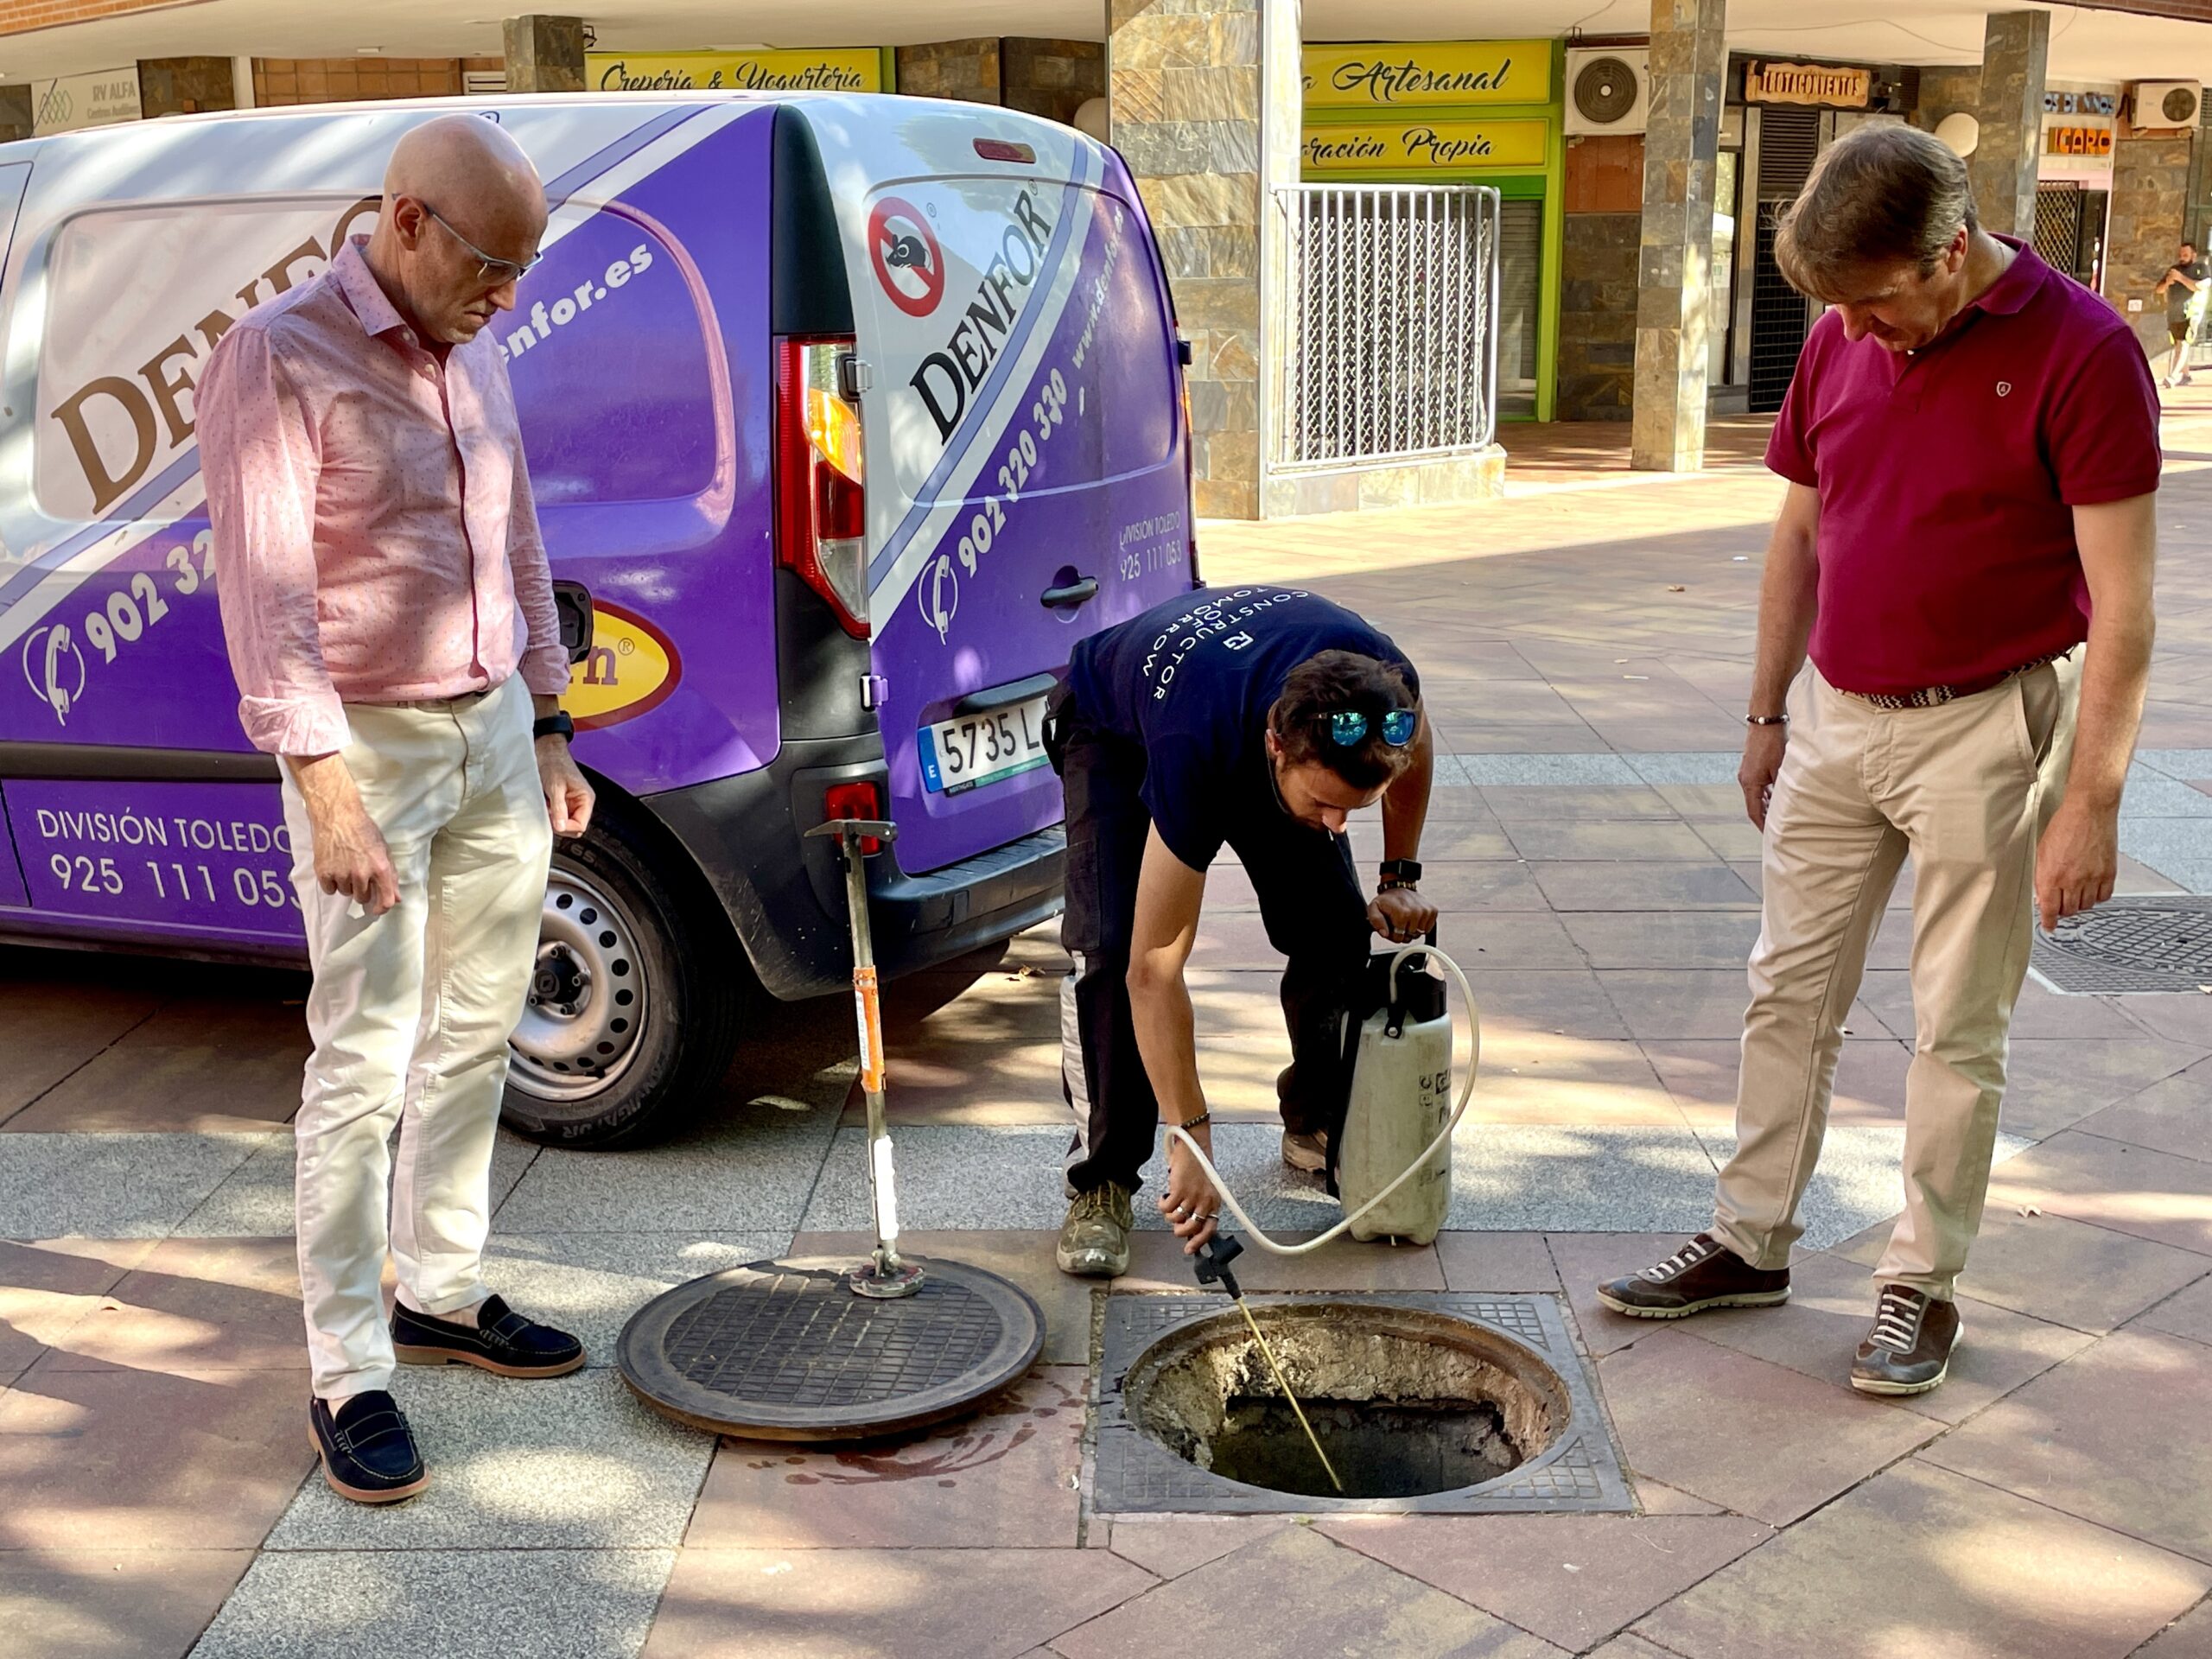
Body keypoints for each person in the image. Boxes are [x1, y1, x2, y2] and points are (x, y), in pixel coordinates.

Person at [1598, 125, 2159, 1394]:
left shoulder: (2085, 353)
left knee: (1957, 1022)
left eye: (1875, 303)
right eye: (1838, 309)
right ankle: (1752, 1241)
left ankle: (1919, 1283)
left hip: (1987, 720)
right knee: (1786, 990)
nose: (1857, 329)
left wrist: (2093, 801)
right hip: (1842, 719)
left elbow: (2125, 611)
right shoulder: (1845, 338)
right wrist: (1765, 712)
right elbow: (1798, 535)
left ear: (1949, 255)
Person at [199, 116, 595, 1503]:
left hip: (491, 731)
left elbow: (518, 538)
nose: (510, 294)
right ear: (408, 222)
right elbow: (268, 598)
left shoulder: (471, 352)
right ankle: (348, 1371)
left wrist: (547, 721)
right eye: (493, 262)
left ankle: (438, 1288)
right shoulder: (279, 355)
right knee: (362, 1064)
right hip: (367, 746)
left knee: (480, 1032)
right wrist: (326, 792)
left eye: (528, 268)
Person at [1046, 586, 1440, 1277]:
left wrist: (1397, 875)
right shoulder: (1193, 744)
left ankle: (1314, 1122)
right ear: (1276, 748)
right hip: (1117, 734)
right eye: (1326, 803)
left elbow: (1415, 747)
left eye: (1356, 808)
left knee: (1335, 927)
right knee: (1109, 952)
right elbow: (1154, 971)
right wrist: (1190, 1136)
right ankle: (1103, 1177)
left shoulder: (1387, 689)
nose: (1339, 825)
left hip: (1242, 712)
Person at [2156, 239, 2203, 388]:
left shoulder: (2200, 269)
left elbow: (2198, 287)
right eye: (2181, 254)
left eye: (2185, 254)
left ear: (2193, 255)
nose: (2182, 257)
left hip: (2190, 314)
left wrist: (2180, 278)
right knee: (2179, 345)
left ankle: (2173, 376)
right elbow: (2158, 290)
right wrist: (2168, 283)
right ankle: (2186, 375)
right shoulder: (2174, 269)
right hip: (2173, 314)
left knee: (2183, 344)